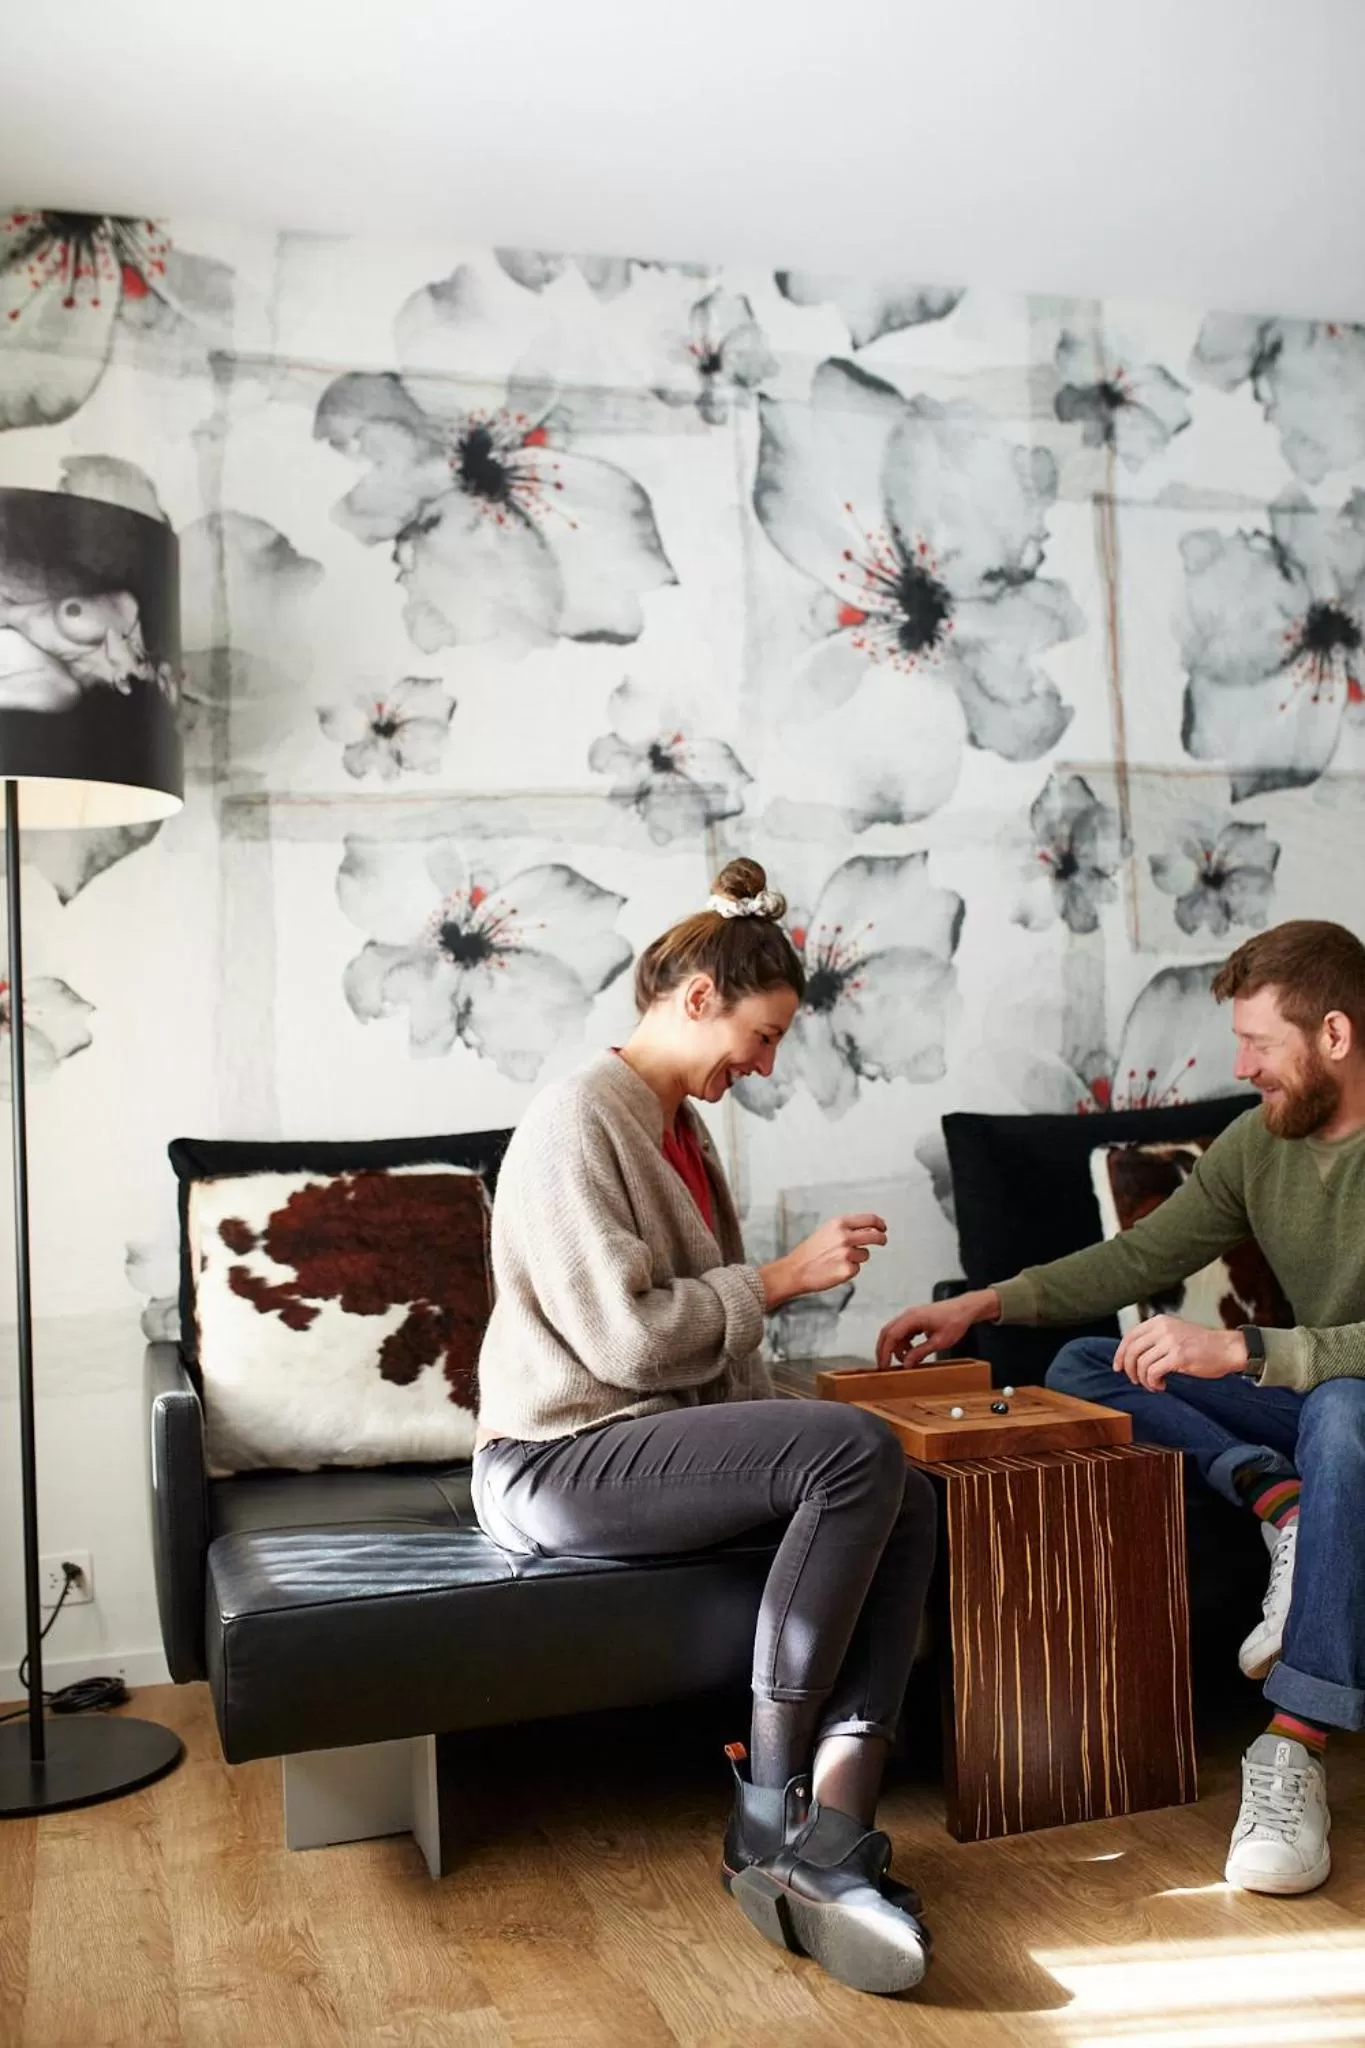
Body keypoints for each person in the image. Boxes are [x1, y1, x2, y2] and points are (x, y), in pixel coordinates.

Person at [473, 858, 938, 1997]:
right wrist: (777, 1279)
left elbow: (713, 1362)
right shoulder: (580, 1116)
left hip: (639, 1438)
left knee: (906, 1478)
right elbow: (627, 1345)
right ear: (696, 1000)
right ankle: (767, 1816)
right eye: (763, 1035)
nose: (767, 1063)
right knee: (856, 1455)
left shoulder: (678, 1123)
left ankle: (834, 1831)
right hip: (556, 1458)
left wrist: (810, 1400)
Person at [876, 918, 1365, 1898]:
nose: (1242, 1065)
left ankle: (1293, 1742)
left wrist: (1246, 1346)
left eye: (1260, 1043)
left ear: (1337, 1038)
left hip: (1345, 1404)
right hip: (1312, 1414)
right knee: (1091, 1360)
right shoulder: (1260, 1141)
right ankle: (1286, 1508)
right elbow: (1138, 1260)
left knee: (1344, 1409)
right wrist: (982, 1299)